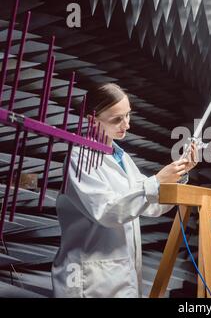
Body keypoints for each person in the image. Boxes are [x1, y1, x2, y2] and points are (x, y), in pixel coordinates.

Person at [51, 83, 197, 297]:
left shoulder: (122, 158)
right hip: (90, 278)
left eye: (128, 115)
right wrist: (156, 181)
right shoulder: (79, 158)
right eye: (117, 119)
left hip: (119, 274)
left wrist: (180, 173)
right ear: (93, 120)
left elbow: (150, 206)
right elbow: (107, 211)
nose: (126, 125)